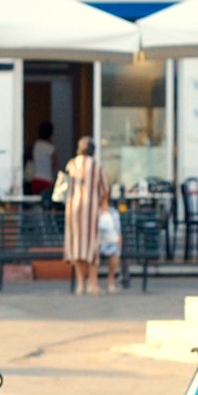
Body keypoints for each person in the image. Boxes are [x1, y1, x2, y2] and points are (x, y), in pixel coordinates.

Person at [62, 136, 109, 295]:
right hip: (90, 210)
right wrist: (103, 205)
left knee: (76, 246)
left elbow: (64, 188)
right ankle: (92, 284)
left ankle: (80, 285)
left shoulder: (71, 164)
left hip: (72, 210)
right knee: (91, 247)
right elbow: (105, 190)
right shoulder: (96, 165)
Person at [98, 203, 122, 295]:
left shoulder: (113, 212)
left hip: (110, 241)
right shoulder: (91, 210)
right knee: (92, 251)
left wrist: (119, 239)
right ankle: (92, 281)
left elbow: (118, 230)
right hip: (96, 241)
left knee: (115, 250)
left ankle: (111, 282)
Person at [30, 121, 57, 196]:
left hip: (36, 179)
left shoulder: (36, 145)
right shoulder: (51, 148)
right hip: (47, 180)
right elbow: (55, 164)